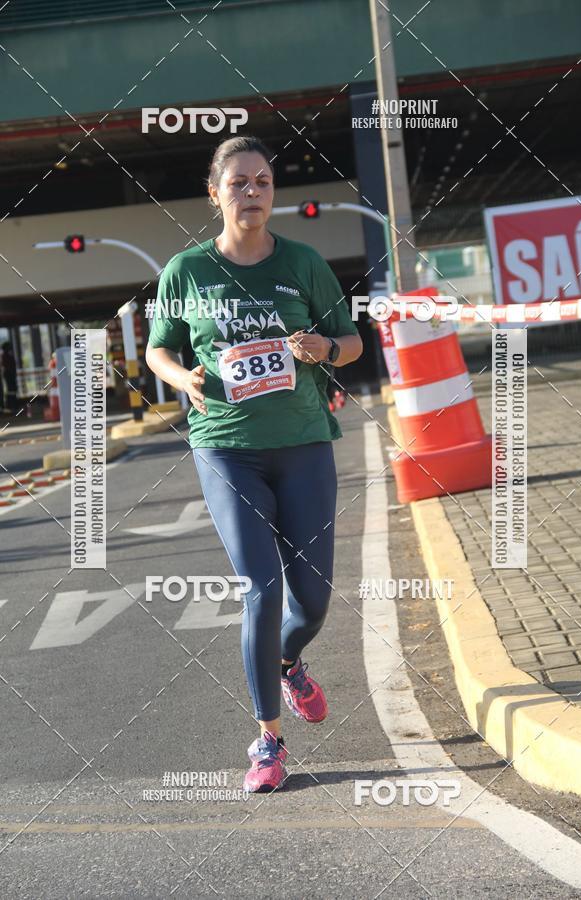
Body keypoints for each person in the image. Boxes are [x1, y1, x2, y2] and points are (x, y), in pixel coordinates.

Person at [145, 135, 363, 793]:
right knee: (261, 588)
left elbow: (352, 344)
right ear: (215, 193)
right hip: (225, 446)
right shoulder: (186, 270)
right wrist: (182, 378)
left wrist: (324, 345)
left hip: (302, 445)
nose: (252, 192)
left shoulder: (302, 262)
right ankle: (268, 740)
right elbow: (159, 350)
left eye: (263, 182)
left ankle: (289, 659)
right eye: (238, 182)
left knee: (315, 598)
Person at [1, 342, 17, 414]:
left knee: (12, 390)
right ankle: (11, 406)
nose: (9, 348)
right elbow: (7, 366)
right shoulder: (4, 356)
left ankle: (12, 406)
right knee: (10, 391)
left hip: (10, 375)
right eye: (8, 347)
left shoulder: (7, 356)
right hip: (9, 376)